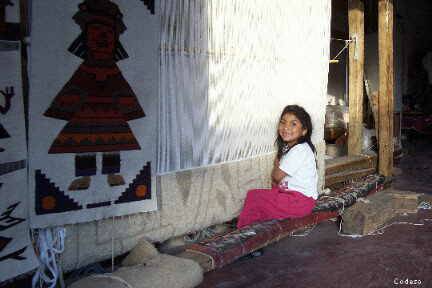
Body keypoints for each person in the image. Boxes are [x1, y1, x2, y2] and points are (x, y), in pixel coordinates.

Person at [237, 105, 318, 229]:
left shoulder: (299, 150)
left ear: (304, 131)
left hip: (299, 202)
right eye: (283, 122)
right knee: (264, 197)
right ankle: (255, 234)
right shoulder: (294, 149)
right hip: (296, 199)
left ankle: (244, 238)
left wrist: (276, 164)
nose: (286, 127)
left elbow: (276, 176)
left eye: (293, 124)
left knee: (254, 197)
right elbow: (277, 181)